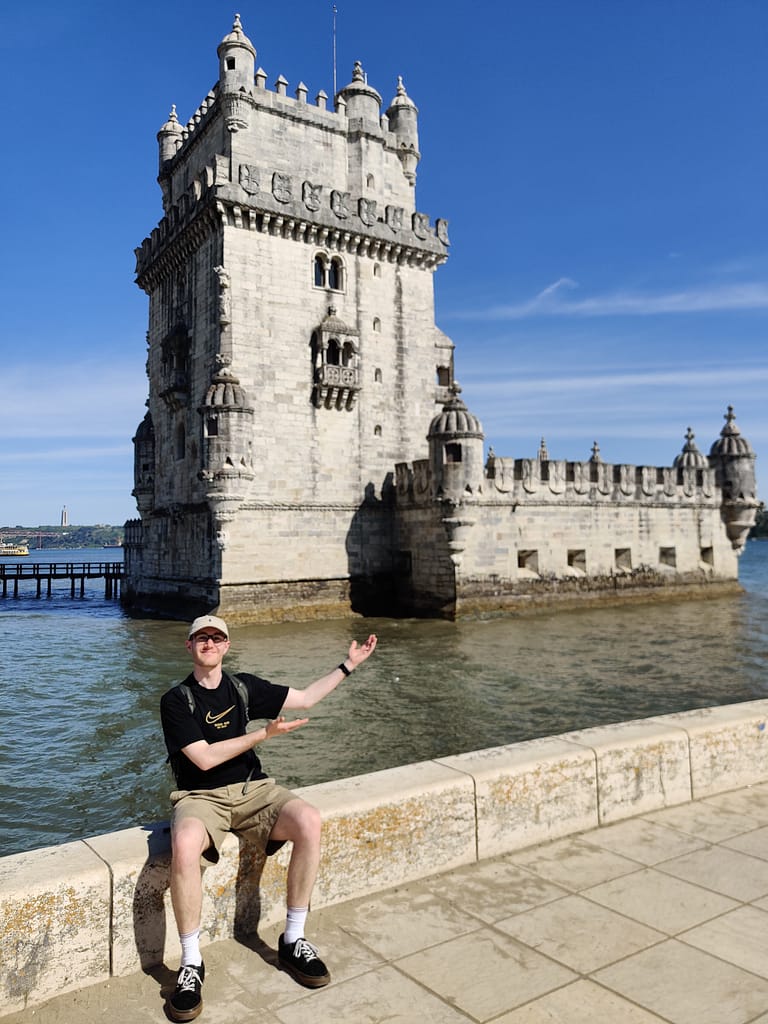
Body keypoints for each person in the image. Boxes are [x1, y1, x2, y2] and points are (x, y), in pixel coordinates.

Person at [160, 614, 378, 1023]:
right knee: (184, 843)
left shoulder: (243, 687)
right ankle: (191, 964)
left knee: (309, 820)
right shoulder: (176, 700)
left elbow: (308, 698)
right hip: (200, 796)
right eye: (201, 638)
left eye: (216, 637)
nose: (209, 643)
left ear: (226, 645)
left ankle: (293, 938)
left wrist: (349, 664)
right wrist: (263, 735)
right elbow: (204, 759)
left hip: (253, 790)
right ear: (188, 647)